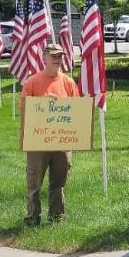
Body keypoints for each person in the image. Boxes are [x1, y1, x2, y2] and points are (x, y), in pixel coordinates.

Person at [20, 43, 80, 225]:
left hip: (62, 142)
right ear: (44, 58)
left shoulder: (68, 82)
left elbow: (76, 111)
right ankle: (32, 218)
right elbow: (24, 109)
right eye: (53, 56)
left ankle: (56, 218)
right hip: (38, 142)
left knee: (58, 184)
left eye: (59, 56)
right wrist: (42, 103)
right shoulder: (32, 82)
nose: (57, 59)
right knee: (34, 184)